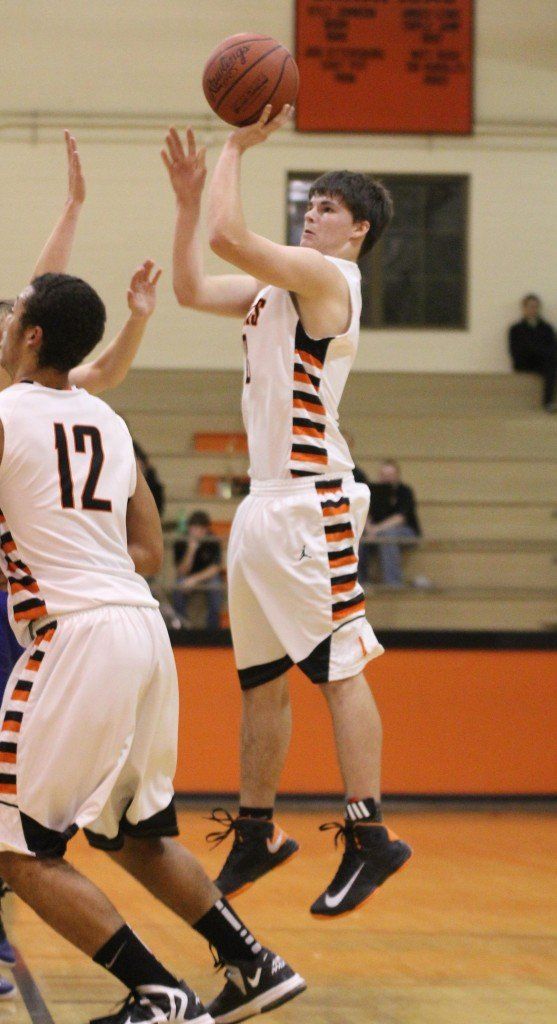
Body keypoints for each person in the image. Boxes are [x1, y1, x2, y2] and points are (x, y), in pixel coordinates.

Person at [0, 273, 305, 1024]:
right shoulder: (107, 420)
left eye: (14, 316)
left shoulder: (4, 414)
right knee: (133, 833)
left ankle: (158, 991)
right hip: (140, 628)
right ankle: (252, 962)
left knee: (14, 848)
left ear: (32, 335)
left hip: (72, 640)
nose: (5, 325)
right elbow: (148, 552)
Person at [162, 107, 412, 919]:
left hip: (313, 502)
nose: (311, 211)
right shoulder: (280, 285)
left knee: (340, 667)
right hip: (265, 504)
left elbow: (232, 241)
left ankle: (372, 834)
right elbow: (195, 283)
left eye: (327, 207)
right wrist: (187, 200)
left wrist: (234, 146)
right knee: (262, 682)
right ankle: (258, 833)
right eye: (308, 203)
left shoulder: (332, 281)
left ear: (356, 231)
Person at [0, 134, 163, 990]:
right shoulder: (30, 386)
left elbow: (65, 343)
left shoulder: (20, 399)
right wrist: (70, 212)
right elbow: (54, 326)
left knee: (15, 814)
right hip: (80, 608)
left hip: (44, 608)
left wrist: (71, 215)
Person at [365, 459, 421, 588]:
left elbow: (400, 518)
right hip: (377, 531)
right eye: (384, 475)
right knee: (359, 536)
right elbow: (366, 513)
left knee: (388, 535)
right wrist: (369, 529)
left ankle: (393, 583)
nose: (387, 479)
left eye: (390, 475)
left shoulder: (404, 491)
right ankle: (361, 581)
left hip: (406, 532)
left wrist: (376, 530)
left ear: (397, 475)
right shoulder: (373, 491)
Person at [173, 511, 223, 630]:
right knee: (178, 588)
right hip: (187, 576)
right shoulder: (181, 541)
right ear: (189, 528)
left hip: (206, 577)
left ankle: (213, 629)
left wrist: (195, 579)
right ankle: (182, 628)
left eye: (202, 529)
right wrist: (191, 550)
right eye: (194, 528)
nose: (198, 532)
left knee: (215, 586)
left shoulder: (213, 540)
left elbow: (215, 568)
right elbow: (181, 571)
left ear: (206, 529)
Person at [508, 294, 557, 411]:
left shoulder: (547, 328)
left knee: (552, 365)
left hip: (544, 363)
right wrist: (537, 351)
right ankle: (548, 403)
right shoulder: (515, 329)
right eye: (530, 306)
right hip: (525, 363)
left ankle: (549, 403)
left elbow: (553, 348)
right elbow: (515, 351)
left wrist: (539, 351)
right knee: (550, 365)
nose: (533, 309)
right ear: (524, 308)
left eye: (536, 307)